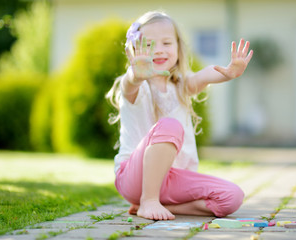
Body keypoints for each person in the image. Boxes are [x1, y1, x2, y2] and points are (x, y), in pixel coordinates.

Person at [106, 10, 253, 221]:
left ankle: (160, 204)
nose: (158, 50)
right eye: (149, 45)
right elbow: (129, 85)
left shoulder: (181, 85)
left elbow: (203, 76)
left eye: (166, 43)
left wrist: (228, 72)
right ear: (135, 49)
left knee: (232, 197)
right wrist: (135, 75)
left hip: (173, 180)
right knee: (171, 126)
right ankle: (148, 200)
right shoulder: (136, 86)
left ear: (178, 47)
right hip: (133, 177)